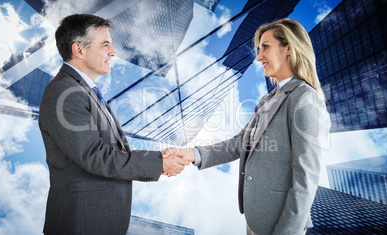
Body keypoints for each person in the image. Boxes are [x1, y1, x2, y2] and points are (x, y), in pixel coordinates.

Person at [163, 18, 331, 234]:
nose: (259, 57)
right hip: (257, 219)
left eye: (266, 47)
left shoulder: (305, 98)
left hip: (281, 224)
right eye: (259, 49)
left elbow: (305, 179)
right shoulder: (267, 100)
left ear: (288, 48)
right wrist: (191, 153)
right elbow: (239, 144)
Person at [38, 14, 190, 235]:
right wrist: (158, 164)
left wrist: (159, 158)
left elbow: (111, 151)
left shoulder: (84, 91)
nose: (113, 52)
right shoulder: (65, 92)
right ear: (79, 50)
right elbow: (96, 156)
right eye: (105, 44)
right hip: (82, 223)